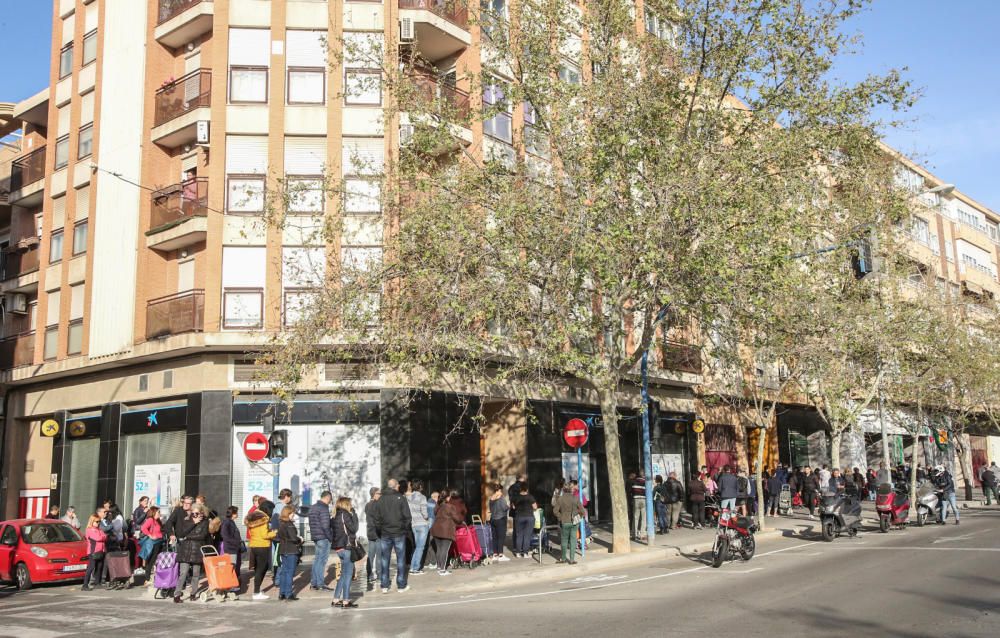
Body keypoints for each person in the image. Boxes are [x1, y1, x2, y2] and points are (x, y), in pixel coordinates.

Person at [372, 478, 412, 593]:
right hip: (398, 533)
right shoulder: (401, 498)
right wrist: (403, 528)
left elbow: (376, 519)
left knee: (385, 559)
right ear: (396, 486)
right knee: (400, 559)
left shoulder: (381, 499)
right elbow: (408, 517)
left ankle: (384, 585)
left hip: (386, 533)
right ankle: (401, 585)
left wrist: (380, 530)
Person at [173, 504, 210, 603]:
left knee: (196, 574)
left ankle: (193, 593)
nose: (194, 515)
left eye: (197, 513)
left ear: (201, 513)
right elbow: (181, 533)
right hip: (185, 550)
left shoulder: (205, 522)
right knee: (183, 573)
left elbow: (202, 536)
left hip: (197, 550)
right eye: (193, 513)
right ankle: (177, 594)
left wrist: (188, 536)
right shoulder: (186, 520)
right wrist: (193, 523)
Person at [331, 497, 360, 608]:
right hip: (347, 547)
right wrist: (354, 514)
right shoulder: (346, 514)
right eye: (350, 503)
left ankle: (336, 599)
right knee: (348, 575)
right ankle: (346, 601)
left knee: (343, 575)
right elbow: (354, 528)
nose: (351, 505)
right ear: (346, 504)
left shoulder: (335, 515)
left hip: (339, 548)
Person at [245, 501, 276, 601]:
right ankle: (256, 592)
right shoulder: (264, 519)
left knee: (258, 568)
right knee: (261, 569)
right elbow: (264, 535)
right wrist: (274, 533)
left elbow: (252, 532)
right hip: (262, 546)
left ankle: (257, 590)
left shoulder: (253, 518)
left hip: (254, 545)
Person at [552, 480, 585, 564]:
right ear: (571, 490)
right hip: (574, 522)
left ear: (563, 490)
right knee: (573, 540)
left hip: (564, 522)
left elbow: (555, 511)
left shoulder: (560, 499)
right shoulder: (575, 498)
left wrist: (560, 517)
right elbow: (582, 511)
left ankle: (563, 559)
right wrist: (578, 517)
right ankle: (572, 559)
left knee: (564, 541)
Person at [429, 492, 462, 575]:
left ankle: (440, 567)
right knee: (444, 550)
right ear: (448, 497)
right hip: (446, 530)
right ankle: (442, 570)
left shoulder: (438, 506)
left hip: (436, 529)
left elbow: (435, 513)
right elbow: (457, 519)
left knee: (439, 549)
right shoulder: (450, 507)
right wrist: (461, 521)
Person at [308, 490, 334, 591]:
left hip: (316, 537)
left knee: (317, 560)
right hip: (323, 537)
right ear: (327, 498)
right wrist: (330, 538)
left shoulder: (313, 507)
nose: (330, 502)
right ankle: (320, 584)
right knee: (322, 561)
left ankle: (314, 583)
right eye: (330, 500)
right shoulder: (323, 508)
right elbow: (325, 526)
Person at [276, 505, 302, 601]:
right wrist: (300, 539)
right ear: (288, 513)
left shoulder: (281, 523)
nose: (293, 515)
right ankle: (289, 593)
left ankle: (282, 593)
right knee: (290, 572)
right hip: (291, 550)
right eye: (292, 513)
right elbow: (293, 538)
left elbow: (279, 537)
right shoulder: (289, 524)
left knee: (284, 572)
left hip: (283, 550)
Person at [406, 480, 430, 575]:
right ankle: (416, 568)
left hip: (414, 524)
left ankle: (413, 567)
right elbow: (424, 512)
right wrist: (427, 517)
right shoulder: (422, 497)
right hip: (422, 524)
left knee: (417, 547)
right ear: (420, 487)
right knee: (420, 547)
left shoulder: (409, 497)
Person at [220, 506, 242, 600]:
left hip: (233, 548)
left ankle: (230, 587)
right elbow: (225, 536)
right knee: (231, 567)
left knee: (233, 566)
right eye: (236, 512)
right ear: (233, 513)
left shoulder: (230, 522)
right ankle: (229, 587)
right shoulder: (227, 522)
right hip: (230, 548)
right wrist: (236, 542)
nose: (237, 514)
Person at [82, 514, 107, 591]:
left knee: (99, 567)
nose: (98, 523)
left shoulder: (99, 530)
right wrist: (102, 537)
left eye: (99, 521)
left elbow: (105, 537)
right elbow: (98, 538)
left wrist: (103, 537)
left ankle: (97, 583)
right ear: (92, 521)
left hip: (101, 551)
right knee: (91, 567)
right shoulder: (89, 530)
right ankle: (85, 585)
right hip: (93, 552)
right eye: (96, 521)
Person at [138, 506, 164, 577]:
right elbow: (143, 528)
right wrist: (150, 535)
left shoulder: (158, 521)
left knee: (156, 559)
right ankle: (147, 576)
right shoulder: (150, 520)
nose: (159, 513)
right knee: (152, 559)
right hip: (154, 542)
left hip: (160, 542)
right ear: (154, 512)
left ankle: (151, 575)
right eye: (158, 512)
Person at [512, 484, 537, 558]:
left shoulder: (516, 497)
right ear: (527, 489)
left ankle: (518, 553)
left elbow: (513, 507)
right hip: (529, 517)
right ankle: (525, 553)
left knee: (519, 535)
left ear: (520, 489)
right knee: (527, 535)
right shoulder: (530, 497)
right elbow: (535, 507)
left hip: (519, 517)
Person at [364, 487, 382, 589]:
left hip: (370, 532)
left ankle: (369, 575)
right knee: (379, 555)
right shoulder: (376, 504)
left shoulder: (367, 505)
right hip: (377, 533)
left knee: (371, 555)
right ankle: (379, 576)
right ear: (374, 494)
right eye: (379, 493)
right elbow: (378, 520)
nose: (380, 495)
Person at [487, 482, 510, 561]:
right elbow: (504, 508)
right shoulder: (501, 497)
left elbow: (490, 508)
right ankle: (501, 555)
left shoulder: (491, 498)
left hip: (493, 519)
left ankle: (495, 554)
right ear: (500, 490)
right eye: (501, 490)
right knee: (501, 537)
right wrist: (508, 507)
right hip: (501, 519)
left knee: (495, 537)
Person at [507, 474, 526, 550]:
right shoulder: (523, 486)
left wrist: (513, 504)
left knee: (516, 529)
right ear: (521, 478)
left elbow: (511, 498)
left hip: (514, 510)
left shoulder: (511, 487)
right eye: (524, 478)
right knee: (523, 529)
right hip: (523, 510)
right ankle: (522, 546)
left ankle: (515, 546)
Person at [629, 471, 647, 540]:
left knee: (635, 517)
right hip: (643, 500)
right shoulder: (645, 482)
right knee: (643, 518)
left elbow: (631, 491)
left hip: (636, 499)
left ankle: (634, 534)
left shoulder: (633, 482)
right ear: (644, 476)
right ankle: (642, 534)